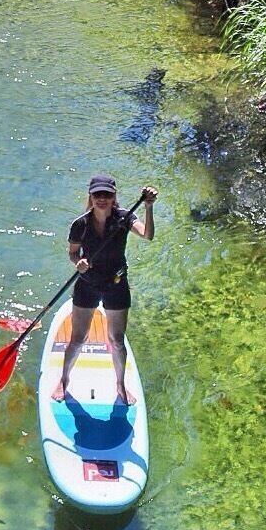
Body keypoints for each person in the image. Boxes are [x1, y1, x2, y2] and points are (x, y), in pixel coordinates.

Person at [51, 173, 158, 406]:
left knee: (117, 340)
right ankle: (63, 380)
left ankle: (120, 383)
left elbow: (148, 235)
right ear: (90, 197)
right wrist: (77, 263)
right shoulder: (79, 225)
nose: (102, 199)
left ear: (114, 197)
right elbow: (72, 252)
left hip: (116, 284)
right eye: (97, 194)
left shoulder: (125, 218)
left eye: (107, 195)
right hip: (87, 283)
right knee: (78, 339)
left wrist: (148, 207)